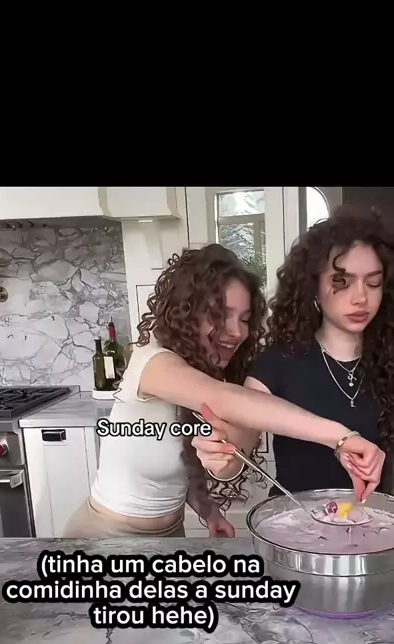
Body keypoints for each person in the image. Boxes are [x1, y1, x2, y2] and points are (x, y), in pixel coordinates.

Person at [63, 243, 385, 540]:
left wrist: (208, 511)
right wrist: (341, 437)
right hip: (104, 536)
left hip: (169, 536)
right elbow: (225, 399)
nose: (236, 332)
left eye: (244, 319)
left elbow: (179, 456)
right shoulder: (152, 362)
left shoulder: (202, 373)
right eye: (220, 315)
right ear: (187, 311)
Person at [192, 206, 393, 502]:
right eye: (342, 282)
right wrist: (221, 458)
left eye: (373, 282)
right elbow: (238, 447)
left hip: (378, 522)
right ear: (314, 287)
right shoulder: (277, 364)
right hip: (297, 523)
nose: (361, 297)